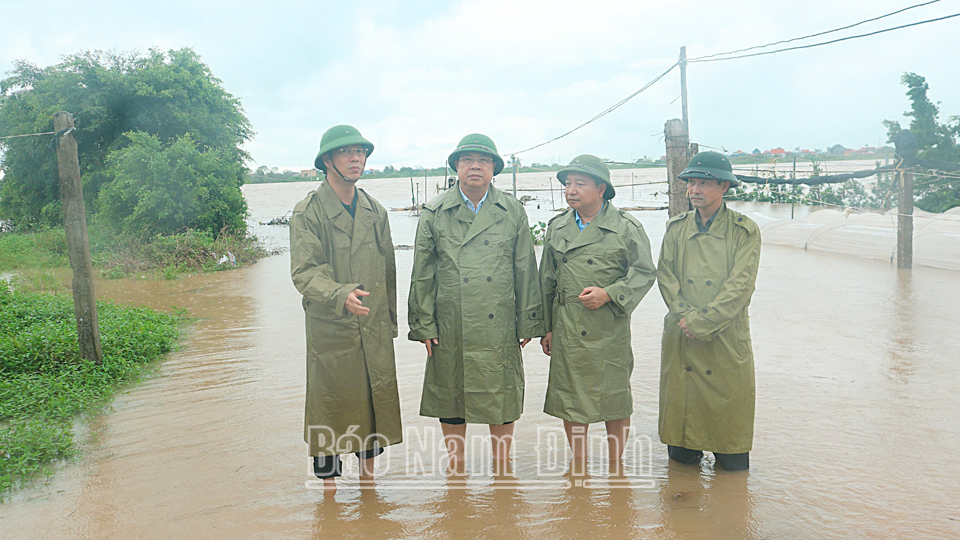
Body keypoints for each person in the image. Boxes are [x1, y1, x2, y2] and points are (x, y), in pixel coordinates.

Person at [408, 133, 545, 469]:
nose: (475, 167)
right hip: (450, 320)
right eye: (467, 160)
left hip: (497, 320)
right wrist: (423, 324)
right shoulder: (435, 212)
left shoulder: (512, 210)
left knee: (501, 394)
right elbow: (422, 272)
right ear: (456, 166)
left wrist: (529, 322)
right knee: (452, 394)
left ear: (493, 169)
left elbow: (526, 269)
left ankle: (503, 466)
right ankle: (456, 467)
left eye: (483, 161)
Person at [289, 125, 402, 491]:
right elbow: (305, 272)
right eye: (346, 153)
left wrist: (390, 324)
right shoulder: (308, 212)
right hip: (332, 331)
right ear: (327, 161)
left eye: (360, 152)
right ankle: (329, 506)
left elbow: (388, 272)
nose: (356, 159)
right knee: (331, 414)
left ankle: (370, 498)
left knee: (372, 415)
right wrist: (340, 294)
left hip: (373, 327)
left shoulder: (375, 210)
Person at [539, 155, 656, 467]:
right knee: (571, 398)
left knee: (614, 399)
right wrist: (547, 328)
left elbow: (645, 272)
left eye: (580, 183)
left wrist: (609, 293)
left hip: (608, 328)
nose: (571, 190)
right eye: (567, 184)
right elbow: (546, 281)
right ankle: (579, 463)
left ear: (601, 188)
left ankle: (617, 464)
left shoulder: (626, 227)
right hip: (567, 326)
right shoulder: (557, 227)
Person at [657, 151, 761, 471]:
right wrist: (685, 316)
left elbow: (740, 287)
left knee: (731, 455)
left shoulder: (745, 231)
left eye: (704, 183)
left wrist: (702, 322)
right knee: (681, 452)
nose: (695, 190)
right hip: (681, 334)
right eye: (691, 183)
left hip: (725, 337)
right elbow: (666, 276)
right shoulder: (675, 228)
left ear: (724, 187)